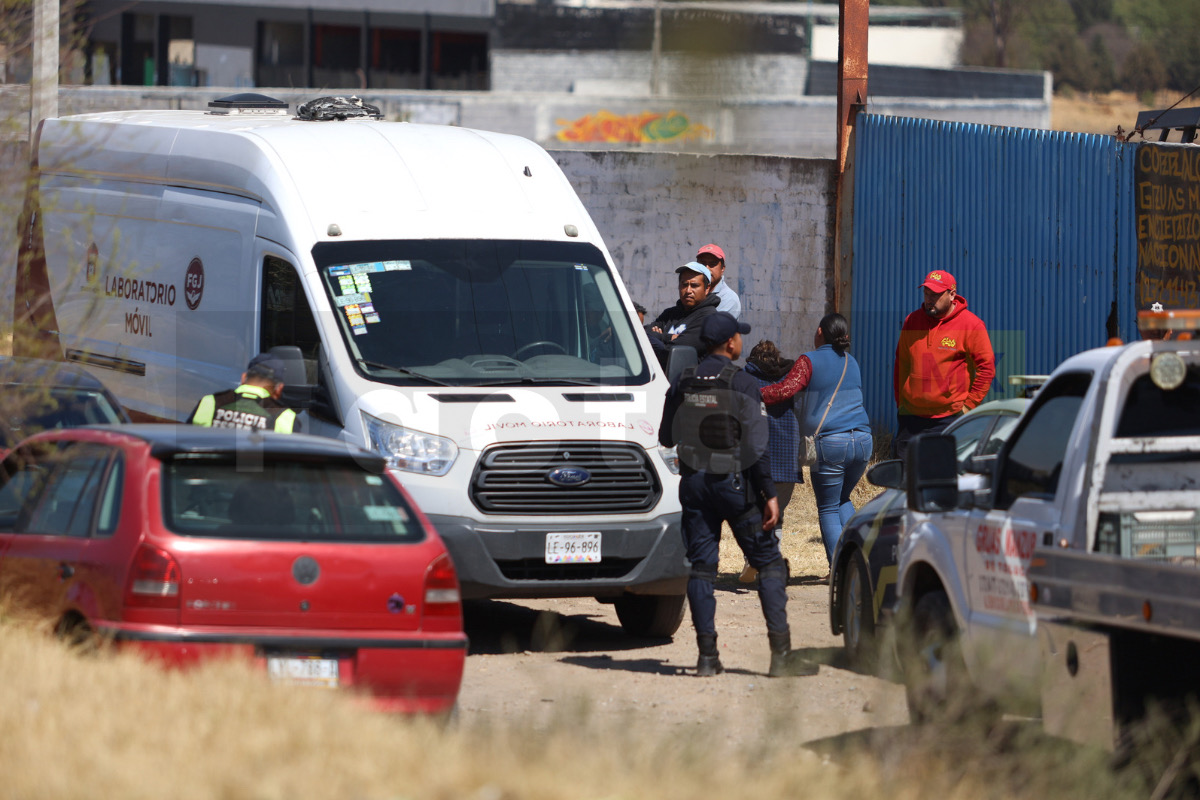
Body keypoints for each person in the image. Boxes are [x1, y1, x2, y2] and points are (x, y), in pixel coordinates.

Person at [659, 311, 815, 678]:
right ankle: (781, 657)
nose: (741, 341)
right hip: (735, 486)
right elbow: (757, 448)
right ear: (730, 343)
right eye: (738, 337)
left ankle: (707, 658)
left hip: (695, 486)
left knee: (701, 569)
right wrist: (768, 495)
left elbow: (667, 437)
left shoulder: (683, 380)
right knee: (770, 564)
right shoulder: (743, 384)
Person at [760, 314, 872, 567]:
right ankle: (862, 563)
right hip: (864, 441)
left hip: (831, 444)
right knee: (842, 499)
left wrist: (751, 392)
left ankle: (839, 571)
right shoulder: (850, 361)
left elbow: (785, 390)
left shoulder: (808, 360)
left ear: (820, 331)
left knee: (828, 508)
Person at [893, 270, 995, 460]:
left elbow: (986, 368)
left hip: (948, 420)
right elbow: (902, 363)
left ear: (952, 294)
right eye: (926, 293)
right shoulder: (912, 321)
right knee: (905, 479)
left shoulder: (971, 325)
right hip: (911, 419)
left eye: (936, 295)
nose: (929, 299)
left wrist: (968, 406)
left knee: (940, 478)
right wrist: (901, 402)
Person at [740, 340, 804, 583]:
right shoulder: (789, 378)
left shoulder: (746, 379)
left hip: (758, 460)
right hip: (787, 460)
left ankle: (754, 559)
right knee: (777, 515)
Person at [186, 353, 300, 433]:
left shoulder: (209, 403)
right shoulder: (286, 418)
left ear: (243, 378)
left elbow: (184, 445)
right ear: (279, 388)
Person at [645, 262, 721, 367]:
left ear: (707, 288)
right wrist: (669, 338)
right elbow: (643, 336)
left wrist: (658, 337)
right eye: (684, 284)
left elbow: (671, 354)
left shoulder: (709, 319)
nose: (688, 290)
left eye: (694, 285)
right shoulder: (669, 314)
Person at [696, 243, 742, 319]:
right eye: (703, 264)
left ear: (722, 268)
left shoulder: (729, 299)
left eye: (712, 264)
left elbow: (711, 328)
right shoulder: (691, 291)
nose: (706, 268)